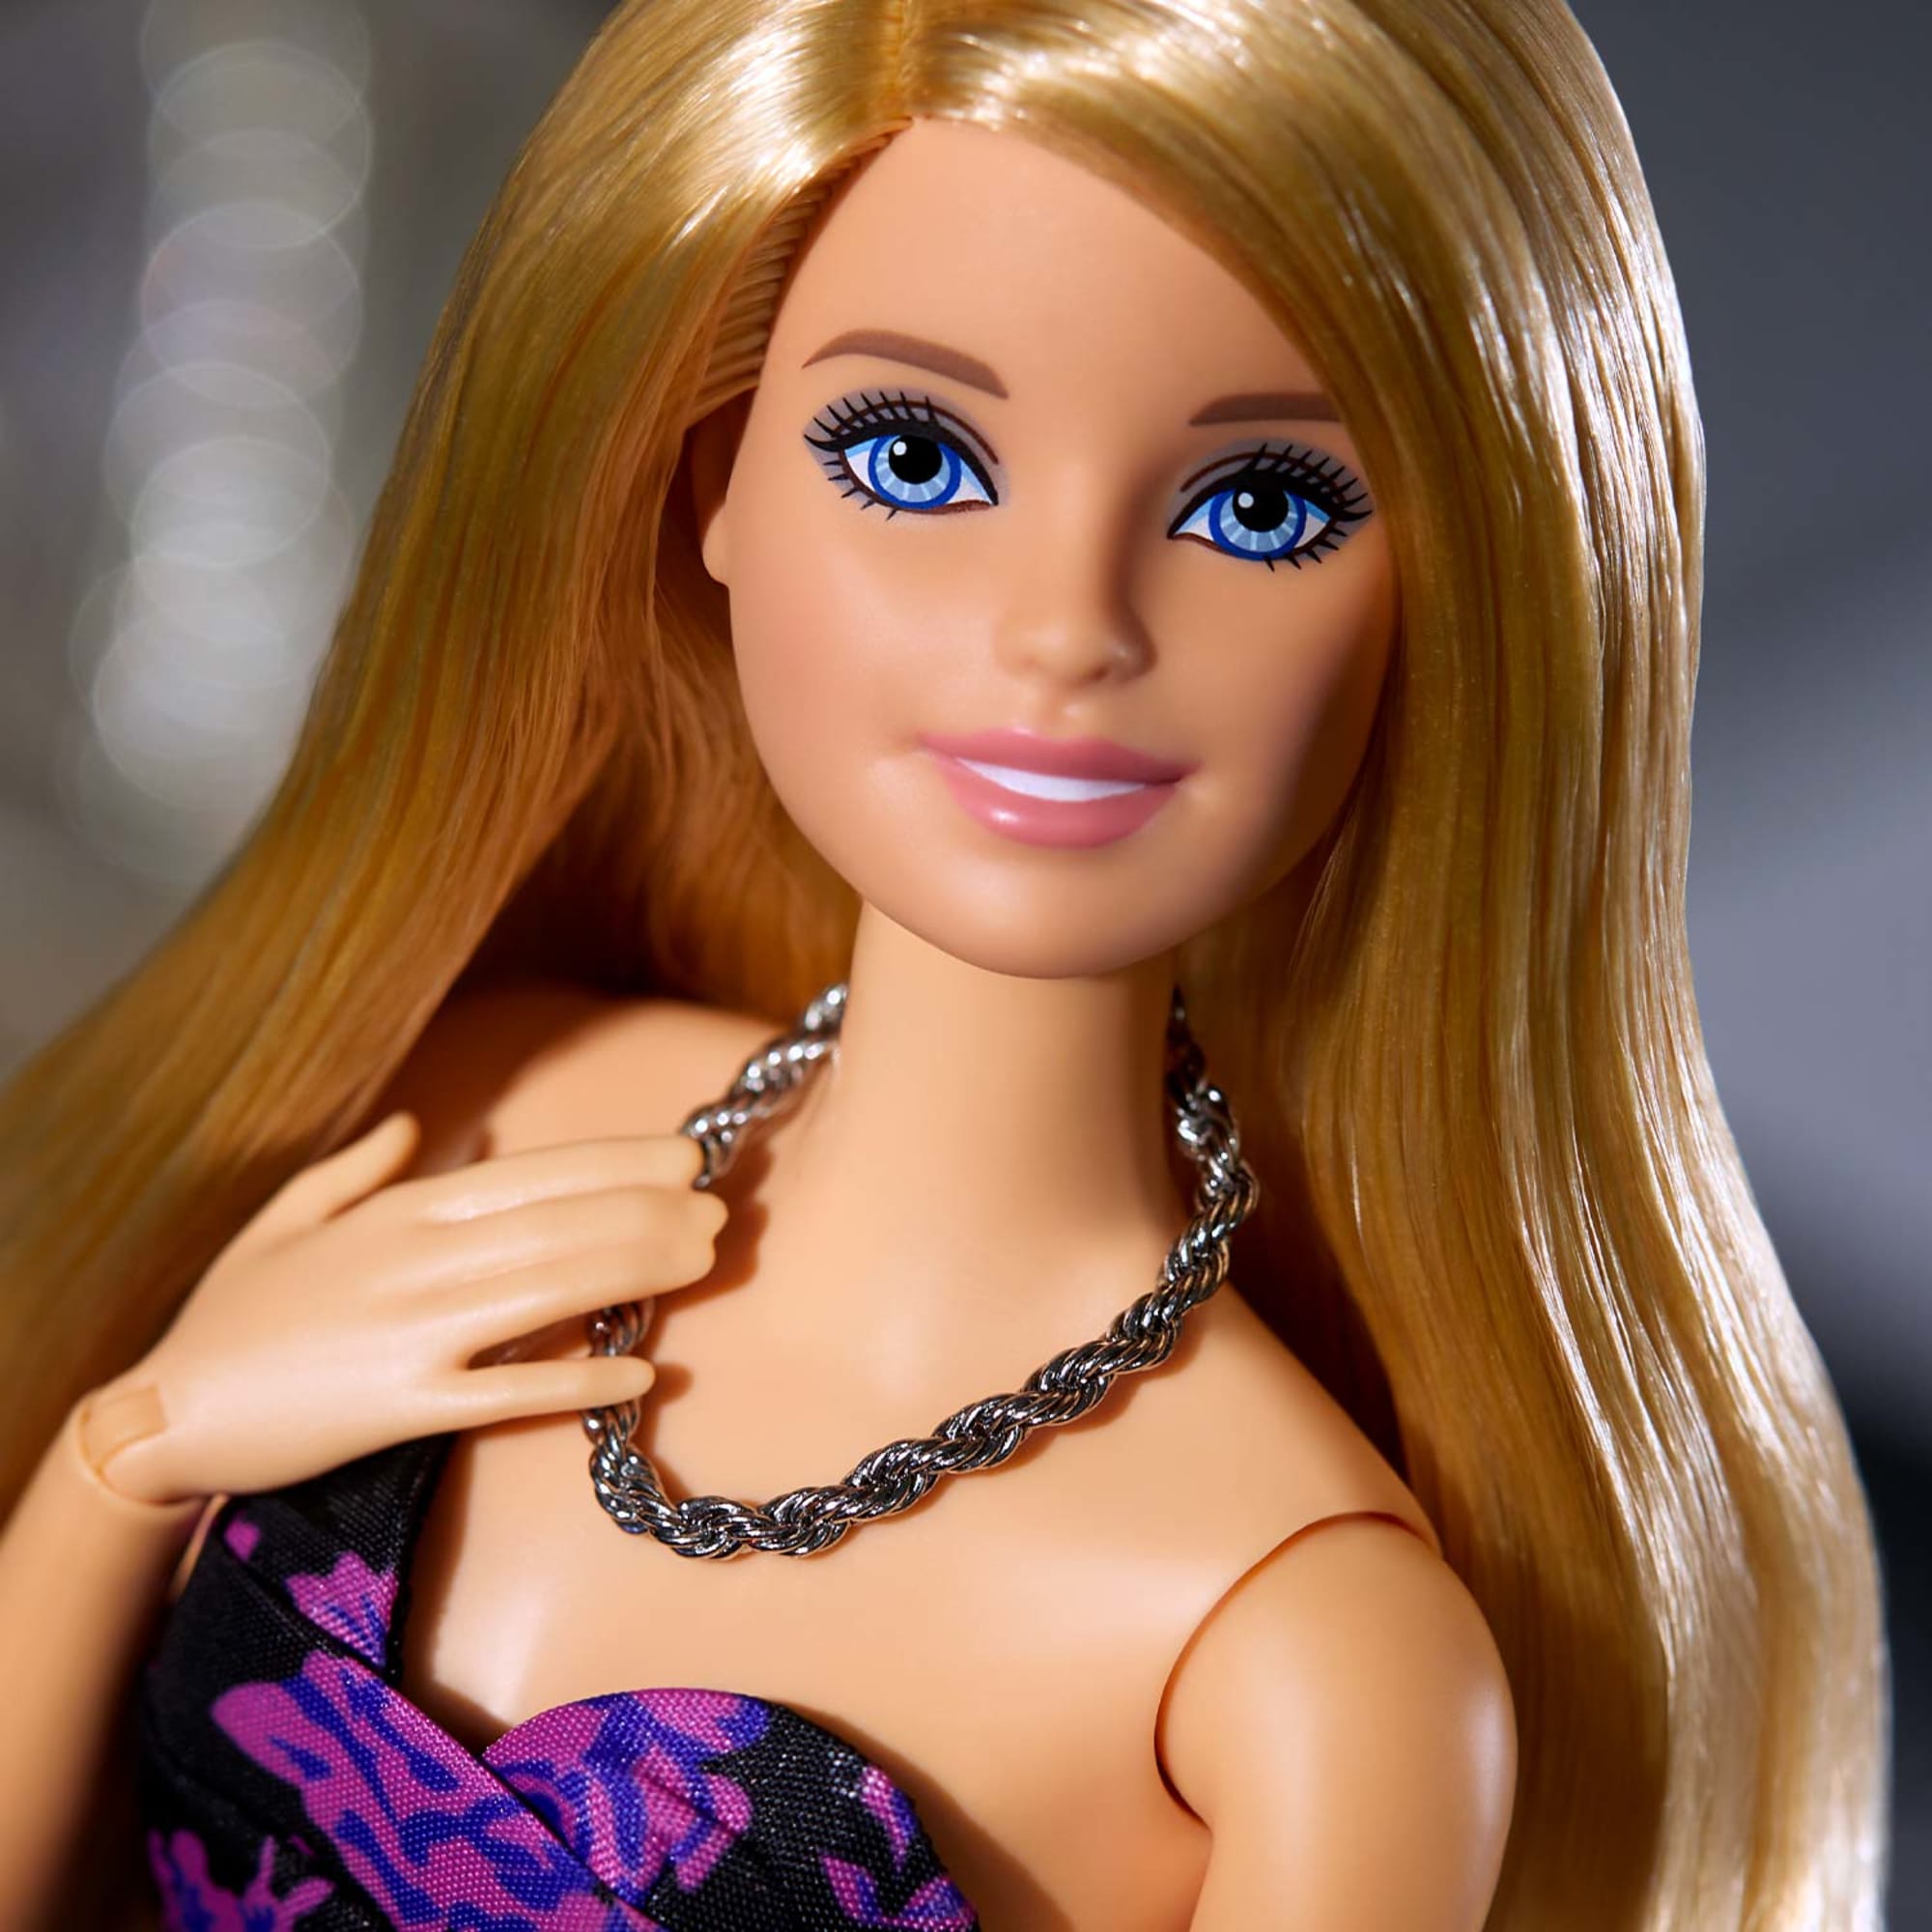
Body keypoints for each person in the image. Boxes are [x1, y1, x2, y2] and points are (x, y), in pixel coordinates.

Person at [0, 2, 1887, 1928]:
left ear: (1460, 603)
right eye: (913, 457)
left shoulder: (1305, 1654)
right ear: (716, 482)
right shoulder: (493, 1103)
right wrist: (125, 1461)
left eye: (1258, 508)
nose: (1066, 630)